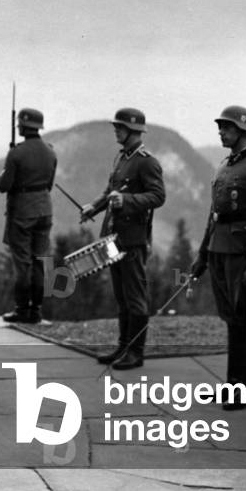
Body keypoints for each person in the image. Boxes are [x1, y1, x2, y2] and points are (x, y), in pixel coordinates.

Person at [192, 106, 246, 409]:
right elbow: (213, 215)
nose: (221, 131)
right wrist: (202, 255)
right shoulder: (224, 166)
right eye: (221, 127)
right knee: (231, 319)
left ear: (243, 131)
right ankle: (232, 385)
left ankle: (245, 390)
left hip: (243, 254)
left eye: (226, 127)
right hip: (219, 251)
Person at [80, 108, 165, 370]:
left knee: (135, 297)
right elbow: (110, 191)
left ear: (133, 130)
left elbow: (158, 196)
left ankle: (135, 353)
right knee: (121, 296)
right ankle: (123, 346)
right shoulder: (122, 158)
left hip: (133, 239)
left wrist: (126, 200)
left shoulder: (146, 161)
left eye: (120, 127)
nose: (115, 130)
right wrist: (93, 207)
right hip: (114, 238)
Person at [0, 108, 57, 325]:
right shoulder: (50, 152)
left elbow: (4, 186)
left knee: (23, 264)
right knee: (39, 260)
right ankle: (36, 310)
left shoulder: (16, 153)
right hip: (44, 211)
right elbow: (49, 184)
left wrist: (6, 167)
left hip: (22, 212)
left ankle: (22, 309)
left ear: (22, 126)